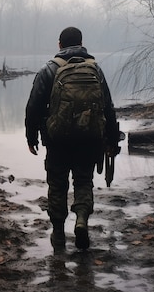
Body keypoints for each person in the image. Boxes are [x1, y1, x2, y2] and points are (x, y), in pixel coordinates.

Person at [25, 26, 120, 251]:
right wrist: (112, 140)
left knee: (57, 185)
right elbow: (108, 107)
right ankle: (81, 221)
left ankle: (58, 233)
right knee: (84, 181)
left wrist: (31, 136)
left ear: (60, 45)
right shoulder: (95, 69)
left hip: (57, 140)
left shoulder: (49, 70)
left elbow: (33, 107)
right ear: (81, 42)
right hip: (90, 139)